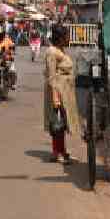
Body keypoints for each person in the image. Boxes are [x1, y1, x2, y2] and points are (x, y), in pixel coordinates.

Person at [43, 25, 81, 163]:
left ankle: (62, 151)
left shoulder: (60, 50)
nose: (69, 38)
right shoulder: (51, 52)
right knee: (57, 123)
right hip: (57, 91)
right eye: (66, 35)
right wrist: (55, 97)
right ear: (60, 37)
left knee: (62, 124)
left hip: (65, 91)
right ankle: (56, 153)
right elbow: (51, 76)